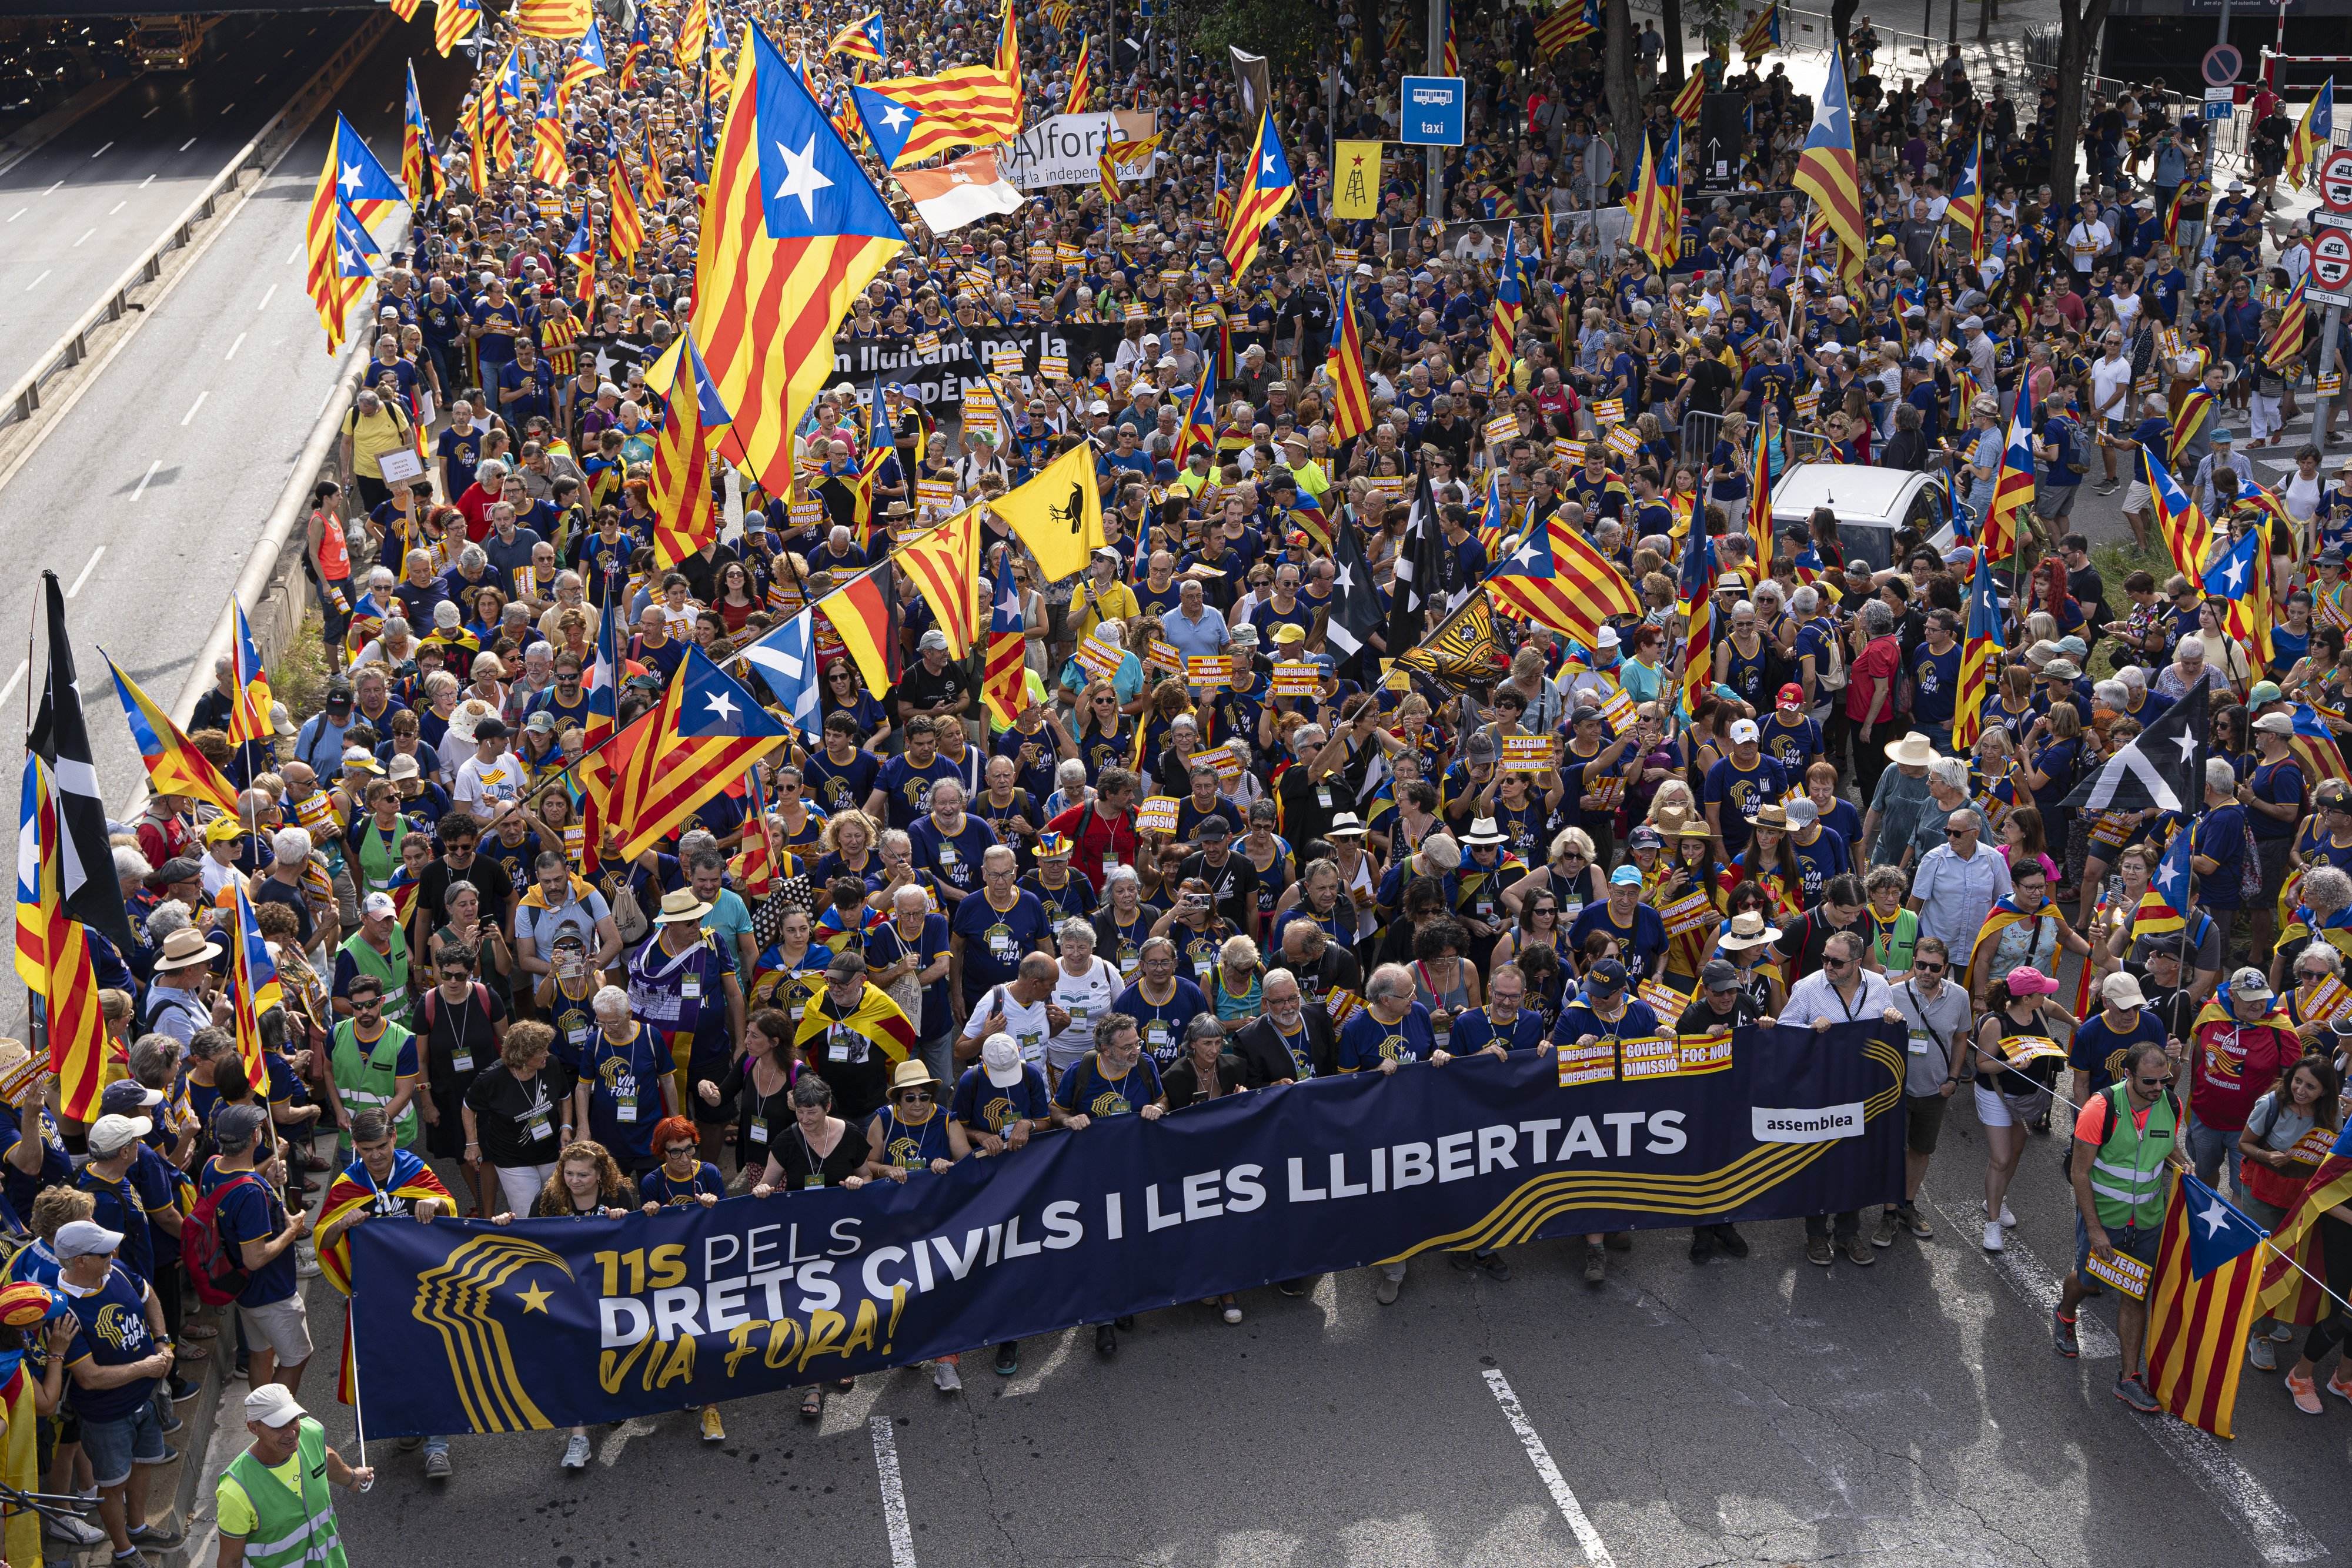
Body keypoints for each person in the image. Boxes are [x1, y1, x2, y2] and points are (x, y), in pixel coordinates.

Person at [2053, 1041, 2185, 1413]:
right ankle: (2065, 1313)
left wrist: (2183, 1162)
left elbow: (2168, 1145)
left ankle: (2129, 1378)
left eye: (2165, 1080)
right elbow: (2080, 1172)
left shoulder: (2171, 1104)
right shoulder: (2100, 1108)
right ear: (2128, 1075)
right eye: (2150, 1082)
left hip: (2147, 1221)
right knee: (2088, 1280)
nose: (2159, 1089)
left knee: (2135, 1292)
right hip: (2105, 1219)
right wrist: (2094, 1230)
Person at [54, 1216, 177, 1564]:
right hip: (107, 1416)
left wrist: (161, 1341)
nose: (113, 1254)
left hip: (147, 1399)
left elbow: (148, 1294)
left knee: (143, 1465)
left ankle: (138, 1528)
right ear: (80, 1261)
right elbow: (89, 1378)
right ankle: (123, 1551)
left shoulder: (116, 1271)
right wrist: (147, 1367)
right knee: (112, 1485)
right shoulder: (63, 1310)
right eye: (103, 1252)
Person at [1782, 932, 1904, 1265]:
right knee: (1818, 1163)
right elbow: (1784, 1033)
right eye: (1824, 959)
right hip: (1821, 1096)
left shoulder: (1879, 986)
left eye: (1836, 962)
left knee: (1855, 1164)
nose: (1828, 966)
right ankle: (1816, 1236)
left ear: (1857, 962)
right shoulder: (1807, 988)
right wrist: (1809, 1031)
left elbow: (1888, 1022)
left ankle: (1849, 1234)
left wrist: (1893, 1019)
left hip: (1866, 1096)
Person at [213, 1383, 373, 1568]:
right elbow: (230, 1562)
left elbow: (324, 1456)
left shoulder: (310, 1434)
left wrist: (352, 1478)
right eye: (278, 1426)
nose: (291, 1433)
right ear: (253, 1428)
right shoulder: (236, 1492)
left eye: (293, 1420)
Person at [1880, 937, 1969, 1247]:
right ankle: (1889, 1212)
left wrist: (1953, 1079)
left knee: (1921, 1149)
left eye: (1934, 967)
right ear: (1913, 963)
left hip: (1935, 1091)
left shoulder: (1960, 997)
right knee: (1893, 1150)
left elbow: (1961, 1038)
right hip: (1896, 1091)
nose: (1926, 972)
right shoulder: (1891, 995)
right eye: (1921, 965)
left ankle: (1907, 1204)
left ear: (1945, 968)